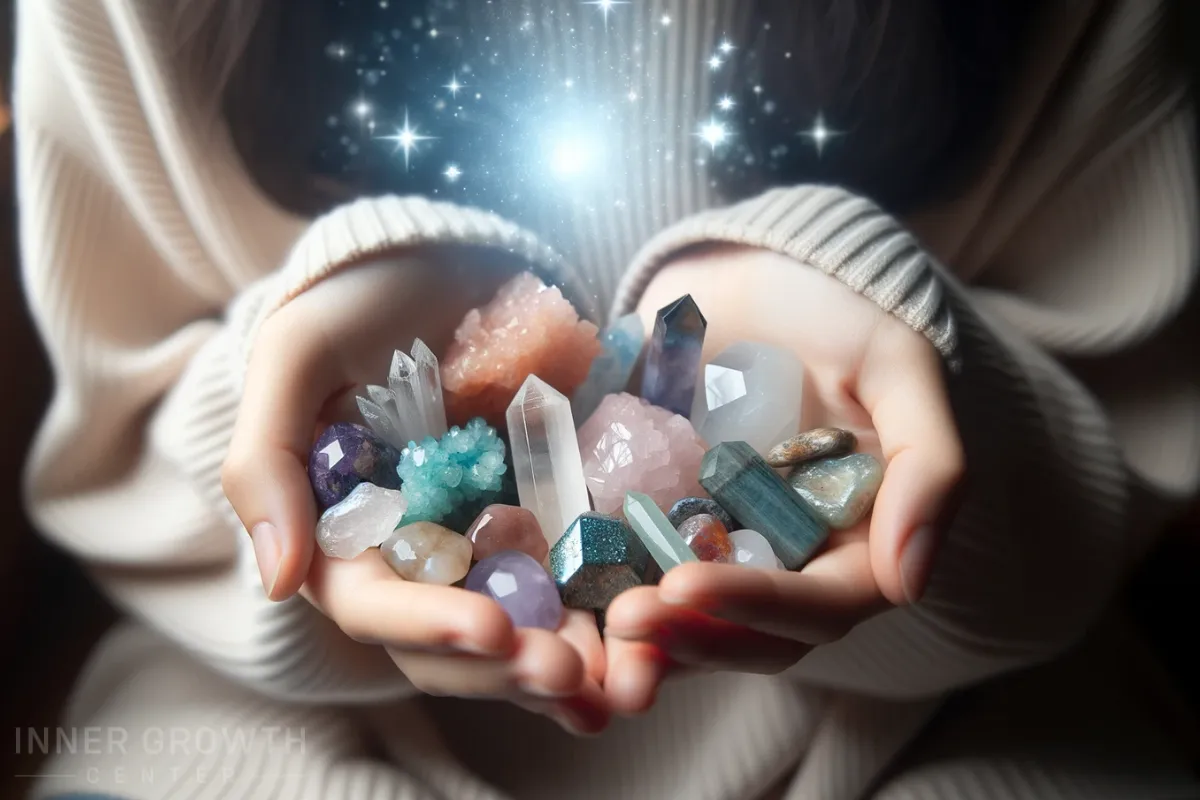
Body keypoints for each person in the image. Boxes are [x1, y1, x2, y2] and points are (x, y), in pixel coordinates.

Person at [15, 0, 1200, 798]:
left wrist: (900, 346)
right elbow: (118, 447)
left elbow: (1128, 448)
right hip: (264, 728)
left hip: (947, 727)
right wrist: (296, 359)